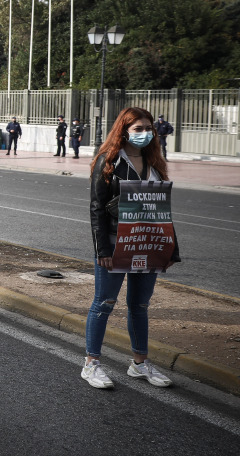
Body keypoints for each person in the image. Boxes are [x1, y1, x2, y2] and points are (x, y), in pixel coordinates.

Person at [83, 106, 178, 390]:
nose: (145, 134)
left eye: (149, 129)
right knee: (104, 303)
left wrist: (170, 248)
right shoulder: (108, 161)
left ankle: (139, 364)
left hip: (149, 243)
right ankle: (91, 365)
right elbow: (97, 209)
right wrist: (102, 251)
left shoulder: (156, 164)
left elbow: (163, 210)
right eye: (138, 129)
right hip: (115, 243)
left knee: (139, 305)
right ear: (123, 130)